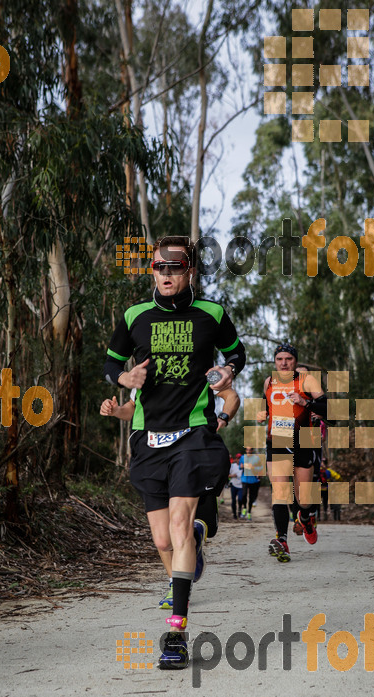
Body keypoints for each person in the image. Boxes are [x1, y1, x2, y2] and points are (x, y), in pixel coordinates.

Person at [103, 235, 245, 669]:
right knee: (163, 539)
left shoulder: (212, 314)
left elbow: (236, 353)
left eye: (175, 267)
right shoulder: (134, 316)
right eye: (159, 268)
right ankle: (186, 564)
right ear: (152, 271)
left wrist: (226, 372)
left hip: (194, 433)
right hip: (149, 436)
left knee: (181, 525)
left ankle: (177, 633)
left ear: (190, 272)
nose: (166, 275)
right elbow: (111, 363)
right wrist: (123, 381)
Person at [100, 386, 241, 608]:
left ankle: (178, 583)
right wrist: (117, 410)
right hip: (152, 454)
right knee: (164, 539)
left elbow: (231, 396)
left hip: (190, 452)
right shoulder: (145, 375)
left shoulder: (198, 365)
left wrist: (222, 417)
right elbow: (133, 407)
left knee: (188, 526)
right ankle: (180, 570)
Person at [256, 343, 328, 563]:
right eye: (279, 359)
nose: (284, 363)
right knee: (279, 490)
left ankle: (305, 517)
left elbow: (327, 408)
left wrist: (305, 402)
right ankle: (282, 541)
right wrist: (261, 414)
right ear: (275, 362)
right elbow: (266, 406)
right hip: (278, 438)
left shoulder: (307, 380)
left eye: (288, 359)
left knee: (304, 498)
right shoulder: (269, 382)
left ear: (295, 361)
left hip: (304, 439)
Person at [239, 446, 262, 521]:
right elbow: (240, 466)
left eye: (250, 450)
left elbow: (260, 468)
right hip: (244, 479)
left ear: (252, 450)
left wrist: (253, 467)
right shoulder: (242, 457)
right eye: (247, 450)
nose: (248, 451)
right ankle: (244, 508)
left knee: (251, 497)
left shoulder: (256, 458)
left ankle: (249, 512)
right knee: (244, 495)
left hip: (253, 480)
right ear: (245, 450)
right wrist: (241, 466)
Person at [228, 455, 244, 519]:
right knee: (233, 500)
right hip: (233, 485)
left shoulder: (244, 467)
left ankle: (239, 511)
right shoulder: (232, 466)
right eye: (238, 458)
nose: (239, 460)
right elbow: (227, 475)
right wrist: (232, 475)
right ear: (236, 459)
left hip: (241, 486)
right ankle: (234, 514)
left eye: (240, 458)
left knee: (240, 499)